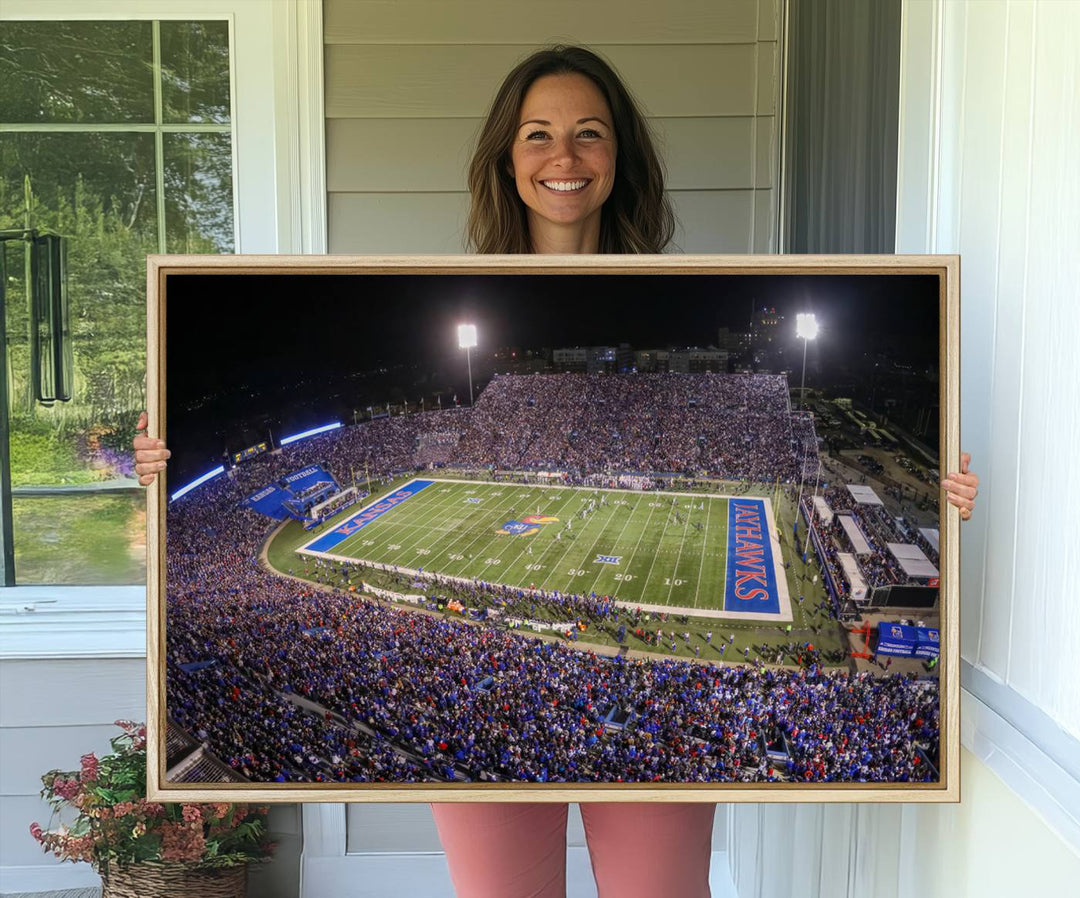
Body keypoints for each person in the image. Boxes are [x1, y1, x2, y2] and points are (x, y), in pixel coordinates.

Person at [135, 44, 981, 898]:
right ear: (507, 157)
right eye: (538, 134)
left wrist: (945, 504)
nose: (563, 157)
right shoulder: (451, 285)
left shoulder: (689, 281)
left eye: (590, 134)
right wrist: (155, 461)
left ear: (621, 158)